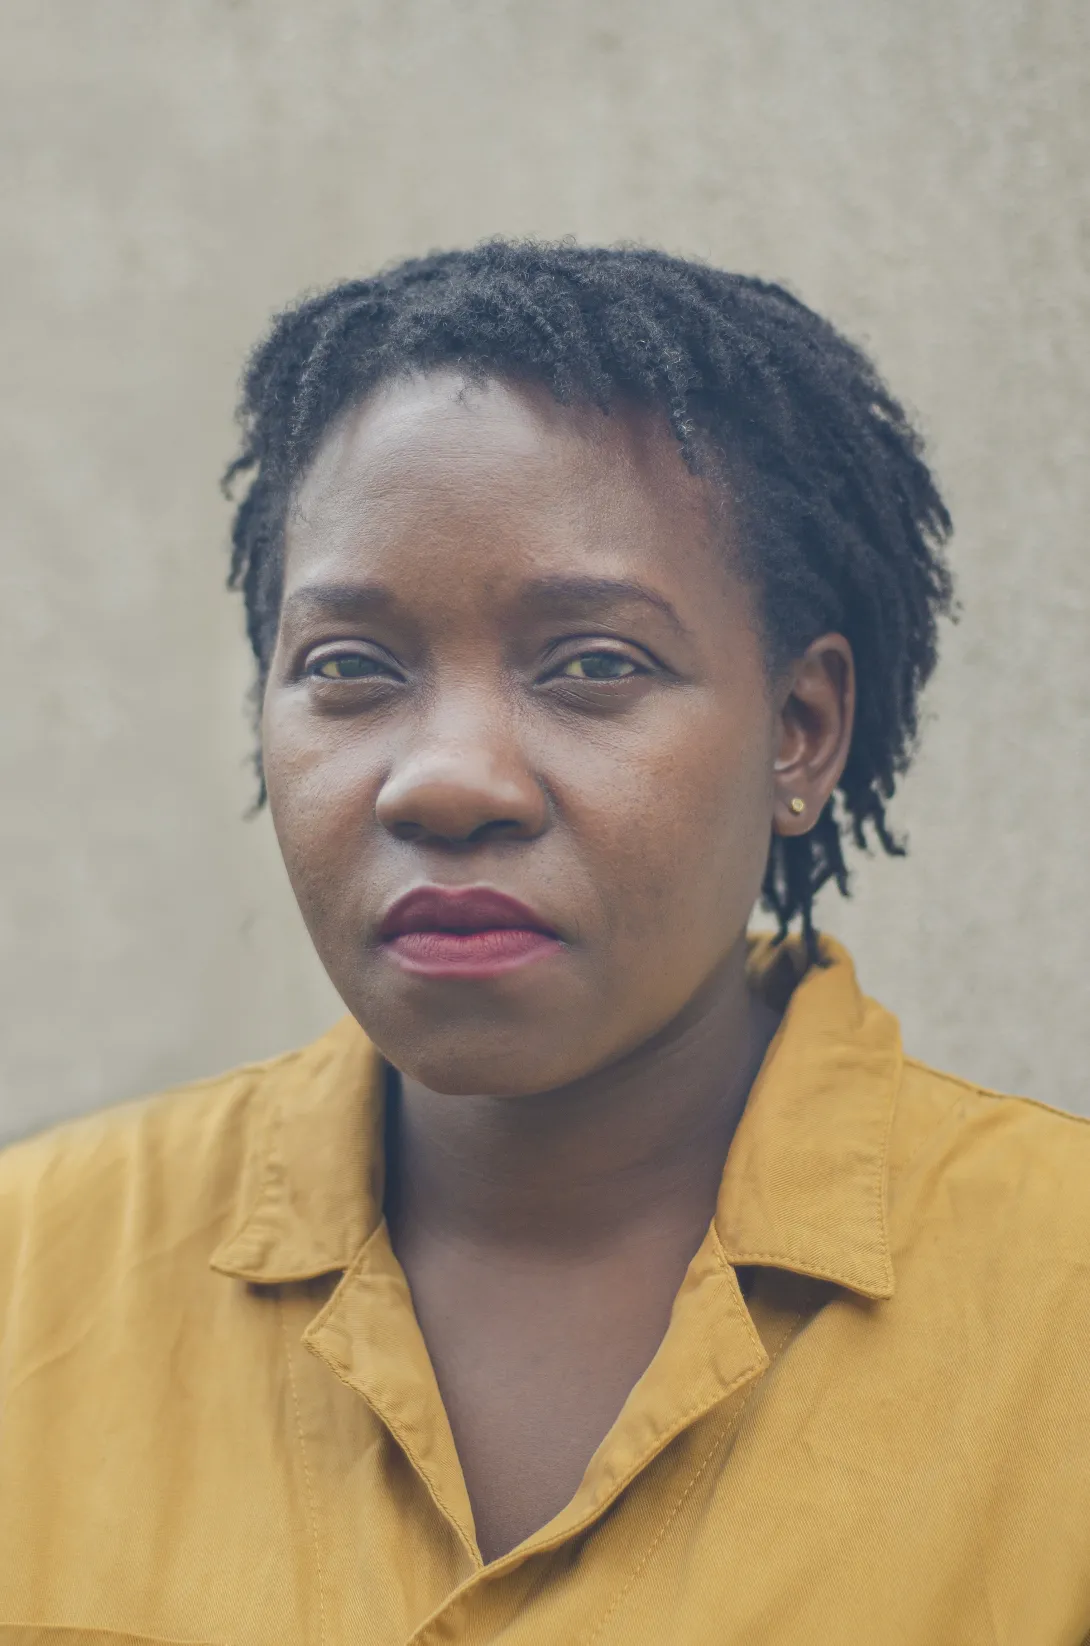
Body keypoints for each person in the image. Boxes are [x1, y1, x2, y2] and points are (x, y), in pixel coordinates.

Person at [1, 241, 1087, 1645]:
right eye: (350, 668)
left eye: (592, 665)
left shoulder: (1057, 1304)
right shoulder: (32, 1278)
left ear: (799, 730)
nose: (446, 779)